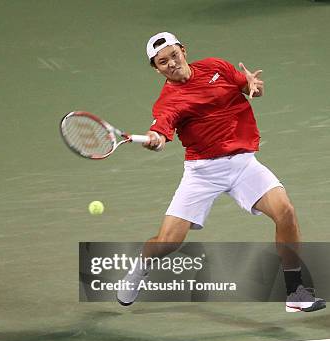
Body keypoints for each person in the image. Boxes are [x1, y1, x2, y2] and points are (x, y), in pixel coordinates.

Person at [117, 32, 325, 313]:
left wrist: (254, 85)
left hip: (243, 164)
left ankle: (295, 291)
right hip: (203, 172)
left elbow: (250, 87)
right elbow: (162, 129)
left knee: (285, 210)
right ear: (156, 69)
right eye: (163, 62)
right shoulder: (168, 102)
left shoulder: (216, 67)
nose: (172, 63)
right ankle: (139, 268)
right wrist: (156, 139)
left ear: (183, 50)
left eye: (174, 55)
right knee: (168, 242)